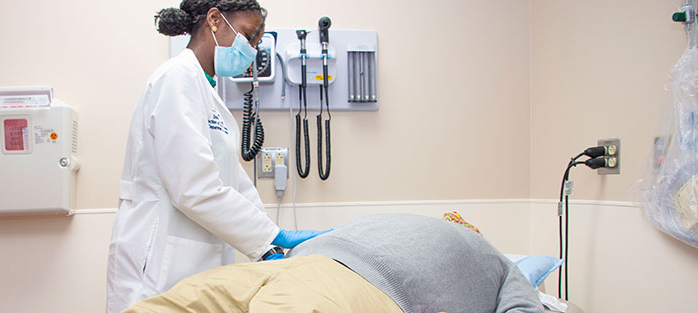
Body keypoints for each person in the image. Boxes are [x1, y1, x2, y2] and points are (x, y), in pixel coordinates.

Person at [105, 1, 328, 312]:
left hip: (192, 261)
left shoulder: (207, 90)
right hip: (156, 263)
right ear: (214, 20)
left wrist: (271, 244)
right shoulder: (176, 78)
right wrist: (269, 236)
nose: (250, 50)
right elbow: (195, 186)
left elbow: (233, 181)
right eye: (248, 37)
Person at [122, 214, 542, 313]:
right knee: (175, 304)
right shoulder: (412, 219)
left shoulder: (499, 263)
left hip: (367, 289)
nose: (455, 219)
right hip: (295, 265)